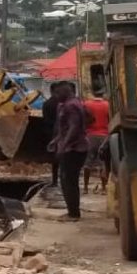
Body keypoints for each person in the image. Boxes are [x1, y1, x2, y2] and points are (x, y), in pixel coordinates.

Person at [51, 81, 90, 221]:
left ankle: (73, 213)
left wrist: (63, 145)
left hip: (74, 149)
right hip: (74, 146)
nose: (55, 96)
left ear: (65, 92)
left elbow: (74, 127)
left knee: (69, 181)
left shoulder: (70, 105)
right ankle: (72, 211)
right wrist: (56, 140)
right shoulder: (74, 103)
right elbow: (67, 127)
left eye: (57, 93)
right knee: (67, 179)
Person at [42, 82, 70, 187]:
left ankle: (55, 180)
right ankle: (64, 178)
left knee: (54, 158)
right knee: (65, 156)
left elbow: (45, 120)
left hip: (51, 133)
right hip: (63, 133)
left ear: (50, 91)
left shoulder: (46, 104)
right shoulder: (63, 104)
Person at [82, 90, 110, 195]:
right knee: (103, 162)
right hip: (104, 135)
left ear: (93, 94)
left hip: (90, 135)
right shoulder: (107, 105)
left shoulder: (86, 104)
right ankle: (103, 188)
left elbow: (84, 118)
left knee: (87, 162)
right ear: (103, 94)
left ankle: (85, 188)